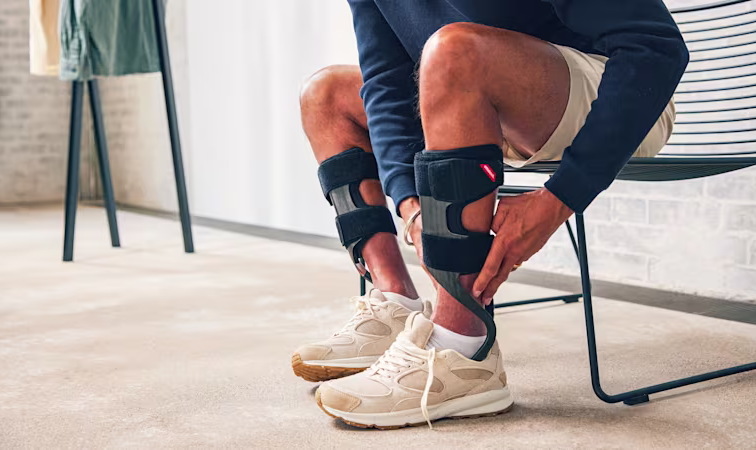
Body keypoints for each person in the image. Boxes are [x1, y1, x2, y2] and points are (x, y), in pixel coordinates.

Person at [292, 0, 687, 429]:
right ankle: (396, 304)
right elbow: (386, 82)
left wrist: (559, 199)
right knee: (325, 94)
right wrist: (410, 206)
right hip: (467, 92)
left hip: (614, 95)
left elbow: (655, 47)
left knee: (453, 50)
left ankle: (463, 349)